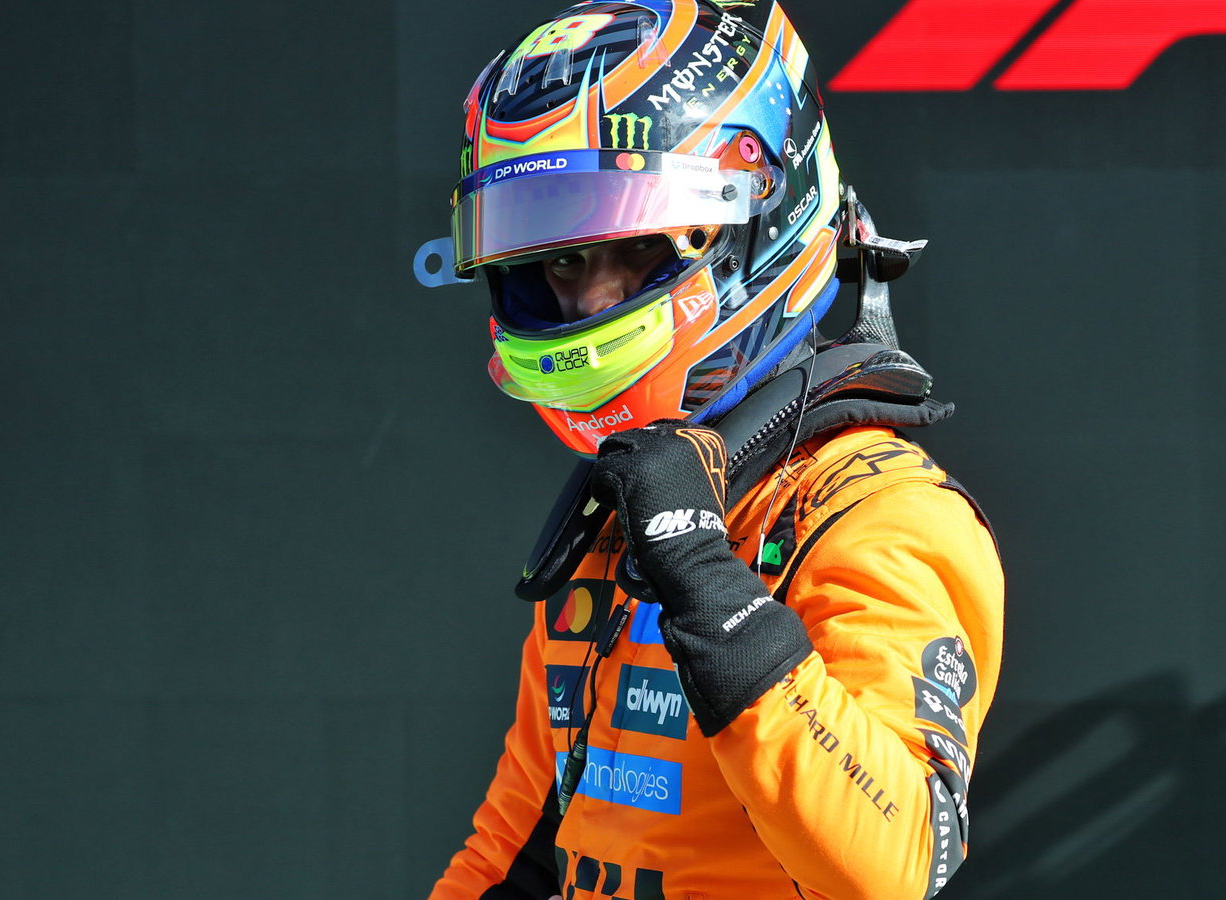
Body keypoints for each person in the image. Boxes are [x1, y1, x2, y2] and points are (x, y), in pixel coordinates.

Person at [416, 2, 1003, 897]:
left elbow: (896, 865)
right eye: (560, 263)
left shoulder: (884, 516)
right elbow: (518, 850)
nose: (585, 301)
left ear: (755, 219)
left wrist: (700, 567)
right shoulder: (626, 508)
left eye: (630, 247)